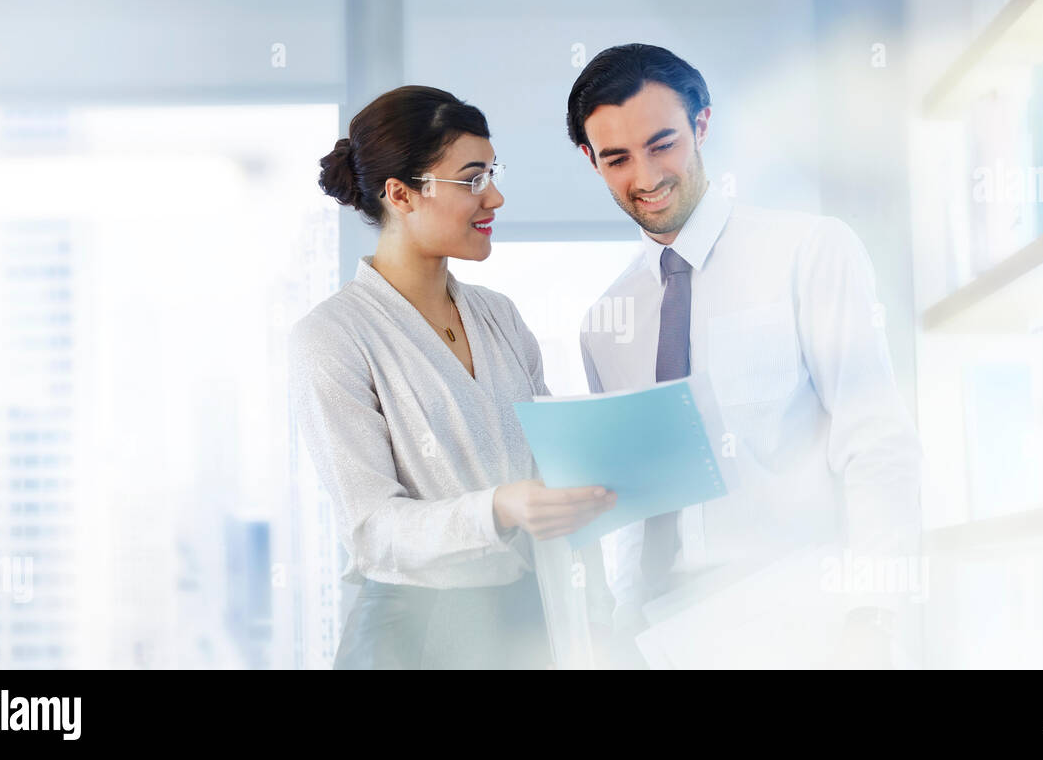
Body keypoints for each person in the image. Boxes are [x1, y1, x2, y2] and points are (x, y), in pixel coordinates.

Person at [568, 44, 923, 668]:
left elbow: (877, 444)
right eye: (617, 158)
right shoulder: (605, 324)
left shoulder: (810, 250)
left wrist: (872, 619)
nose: (646, 177)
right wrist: (620, 634)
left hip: (804, 624)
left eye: (663, 144)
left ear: (702, 125)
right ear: (590, 161)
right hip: (659, 637)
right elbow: (634, 506)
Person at [292, 85, 614, 669]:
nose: (494, 196)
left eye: (491, 173)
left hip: (523, 623)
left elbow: (549, 465)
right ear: (401, 195)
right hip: (413, 635)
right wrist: (497, 508)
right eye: (471, 179)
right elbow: (372, 529)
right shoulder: (333, 337)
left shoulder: (500, 317)